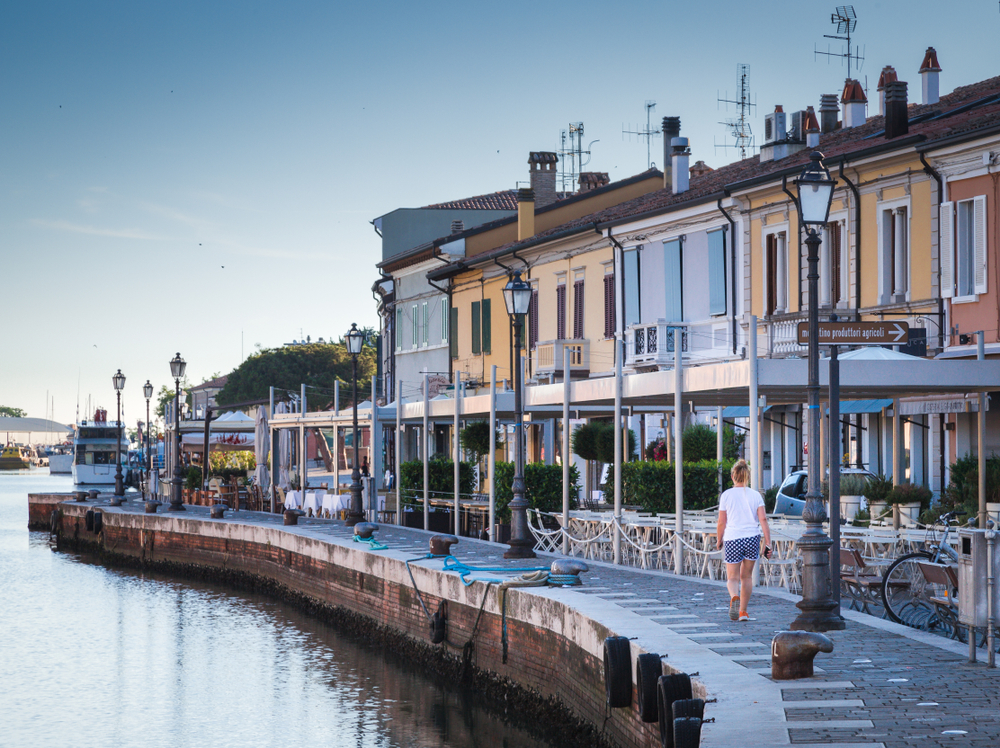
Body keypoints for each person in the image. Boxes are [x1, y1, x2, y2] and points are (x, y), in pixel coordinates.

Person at [716, 459, 771, 622]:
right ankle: (743, 612)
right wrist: (768, 543)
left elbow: (721, 522)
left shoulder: (726, 495)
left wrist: (719, 539)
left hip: (733, 538)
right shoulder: (755, 495)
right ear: (747, 476)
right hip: (752, 538)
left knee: (732, 578)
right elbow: (763, 520)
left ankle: (734, 596)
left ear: (733, 476)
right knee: (746, 577)